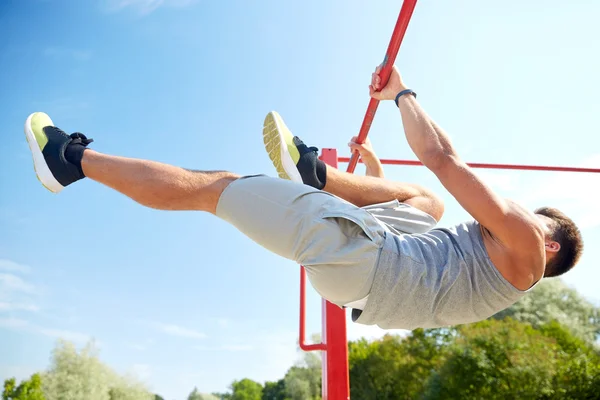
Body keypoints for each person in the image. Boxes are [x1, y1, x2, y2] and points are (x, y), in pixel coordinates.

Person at [23, 65, 583, 330]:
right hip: (373, 283)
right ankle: (317, 175)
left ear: (550, 245)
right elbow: (423, 206)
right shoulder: (487, 273)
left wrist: (401, 94)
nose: (517, 216)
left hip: (372, 261)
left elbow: (443, 156)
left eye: (533, 219)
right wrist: (369, 170)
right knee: (428, 203)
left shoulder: (527, 243)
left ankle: (69, 163)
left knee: (216, 187)